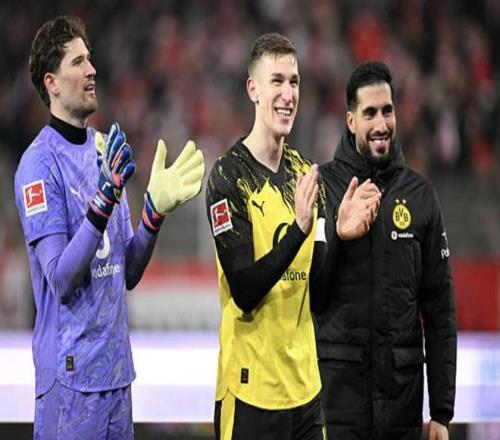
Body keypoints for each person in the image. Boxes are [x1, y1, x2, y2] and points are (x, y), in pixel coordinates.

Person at [14, 15, 204, 439]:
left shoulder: (104, 149)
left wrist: (153, 214)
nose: (92, 70)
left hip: (116, 376)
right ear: (51, 83)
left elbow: (126, 271)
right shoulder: (38, 165)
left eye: (90, 59)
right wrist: (103, 200)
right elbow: (60, 278)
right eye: (78, 62)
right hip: (69, 380)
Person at [205, 33, 380, 440]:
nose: (288, 94)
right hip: (250, 392)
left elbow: (317, 295)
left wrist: (340, 239)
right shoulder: (229, 177)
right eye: (277, 81)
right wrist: (299, 230)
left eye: (294, 82)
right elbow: (245, 290)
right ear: (253, 89)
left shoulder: (306, 175)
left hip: (305, 393)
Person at [315, 61, 457, 440]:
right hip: (337, 406)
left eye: (387, 111)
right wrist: (339, 235)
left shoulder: (421, 196)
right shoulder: (323, 189)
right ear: (350, 121)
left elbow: (440, 311)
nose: (381, 124)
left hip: (402, 410)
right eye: (370, 113)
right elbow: (310, 297)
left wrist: (441, 412)